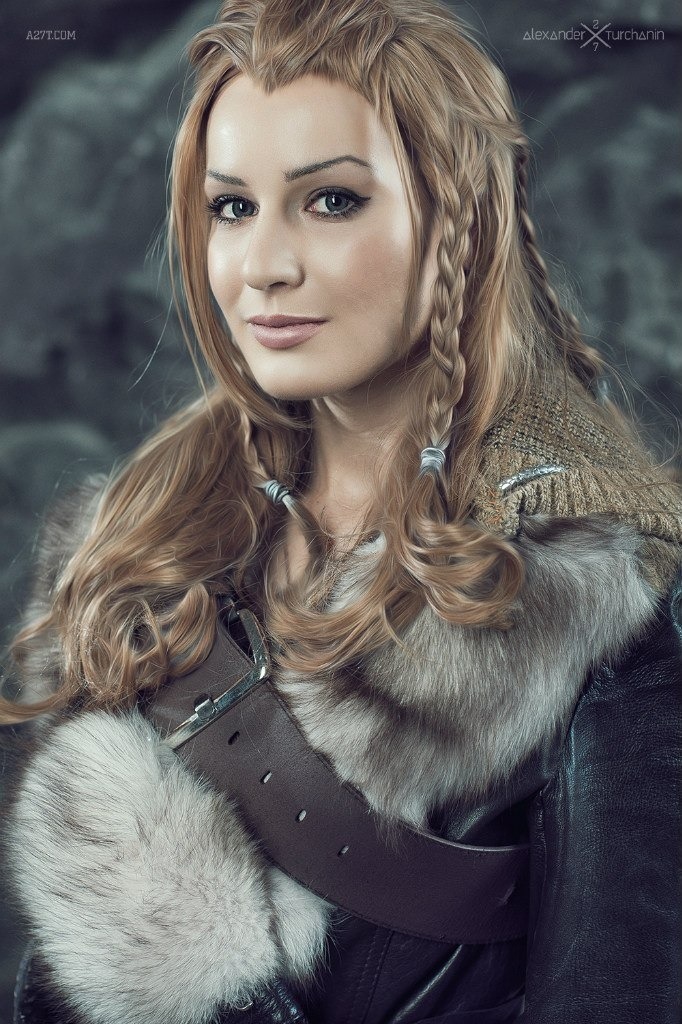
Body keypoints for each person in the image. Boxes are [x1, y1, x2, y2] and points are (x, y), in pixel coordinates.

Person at [1, 0, 680, 1022]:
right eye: (233, 207)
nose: (263, 265)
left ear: (458, 220)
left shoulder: (602, 576)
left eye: (330, 201)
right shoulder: (139, 535)